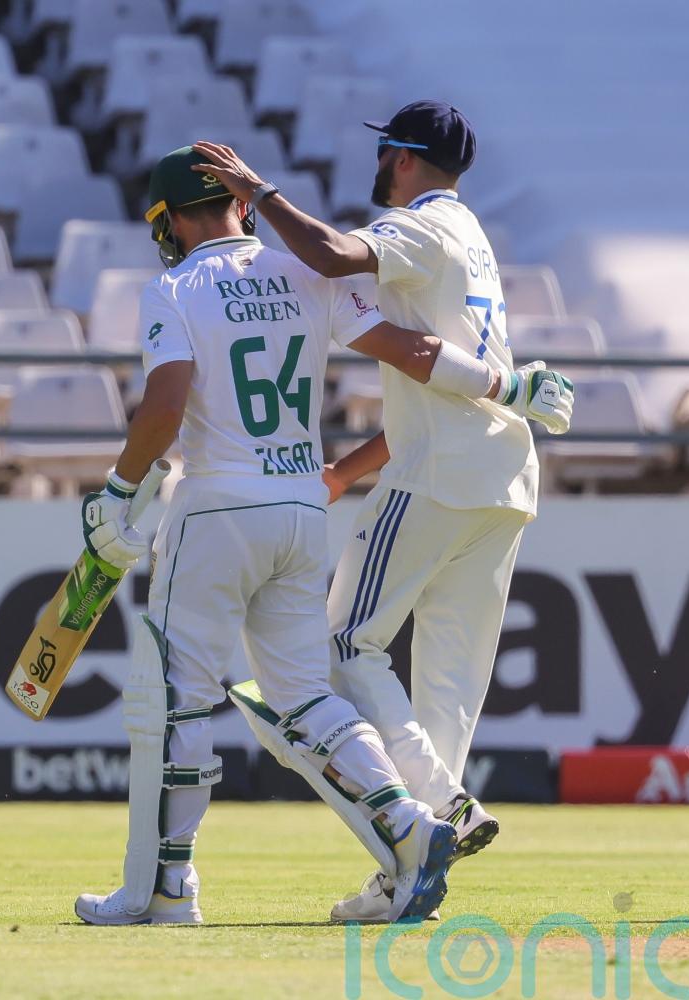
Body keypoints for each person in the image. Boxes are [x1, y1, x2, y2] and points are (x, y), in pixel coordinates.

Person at [70, 145, 562, 928]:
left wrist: (120, 491)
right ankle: (409, 826)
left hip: (217, 507)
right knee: (306, 697)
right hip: (302, 510)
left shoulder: (174, 286)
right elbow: (417, 354)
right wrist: (508, 385)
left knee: (171, 700)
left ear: (170, 220)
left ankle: (161, 891)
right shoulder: (310, 275)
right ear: (237, 201)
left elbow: (164, 409)